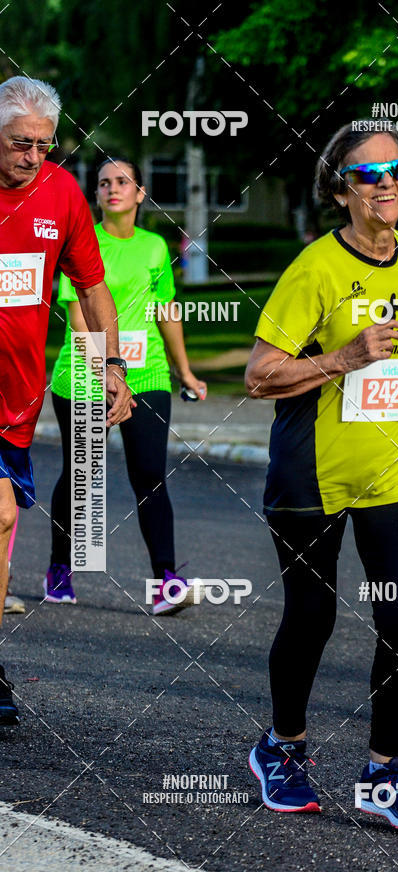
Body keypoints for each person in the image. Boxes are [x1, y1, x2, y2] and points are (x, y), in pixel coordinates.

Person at [244, 123, 398, 830]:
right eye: (368, 175)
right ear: (340, 188)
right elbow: (259, 376)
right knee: (311, 617)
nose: (387, 183)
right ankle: (282, 748)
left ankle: (385, 770)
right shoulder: (312, 268)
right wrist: (342, 358)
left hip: (393, 464)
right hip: (311, 470)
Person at [0, 76, 132, 727]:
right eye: (20, 143)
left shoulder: (61, 192)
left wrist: (112, 364)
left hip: (17, 395)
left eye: (43, 145)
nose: (33, 156)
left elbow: (91, 285)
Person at [46, 156, 207, 617]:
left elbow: (166, 311)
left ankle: (165, 582)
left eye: (122, 181)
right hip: (83, 375)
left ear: (139, 193)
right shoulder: (81, 241)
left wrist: (185, 372)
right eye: (103, 183)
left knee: (150, 475)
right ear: (95, 195)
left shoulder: (156, 247)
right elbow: (79, 319)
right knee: (83, 477)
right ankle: (60, 566)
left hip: (148, 374)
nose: (112, 189)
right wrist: (109, 375)